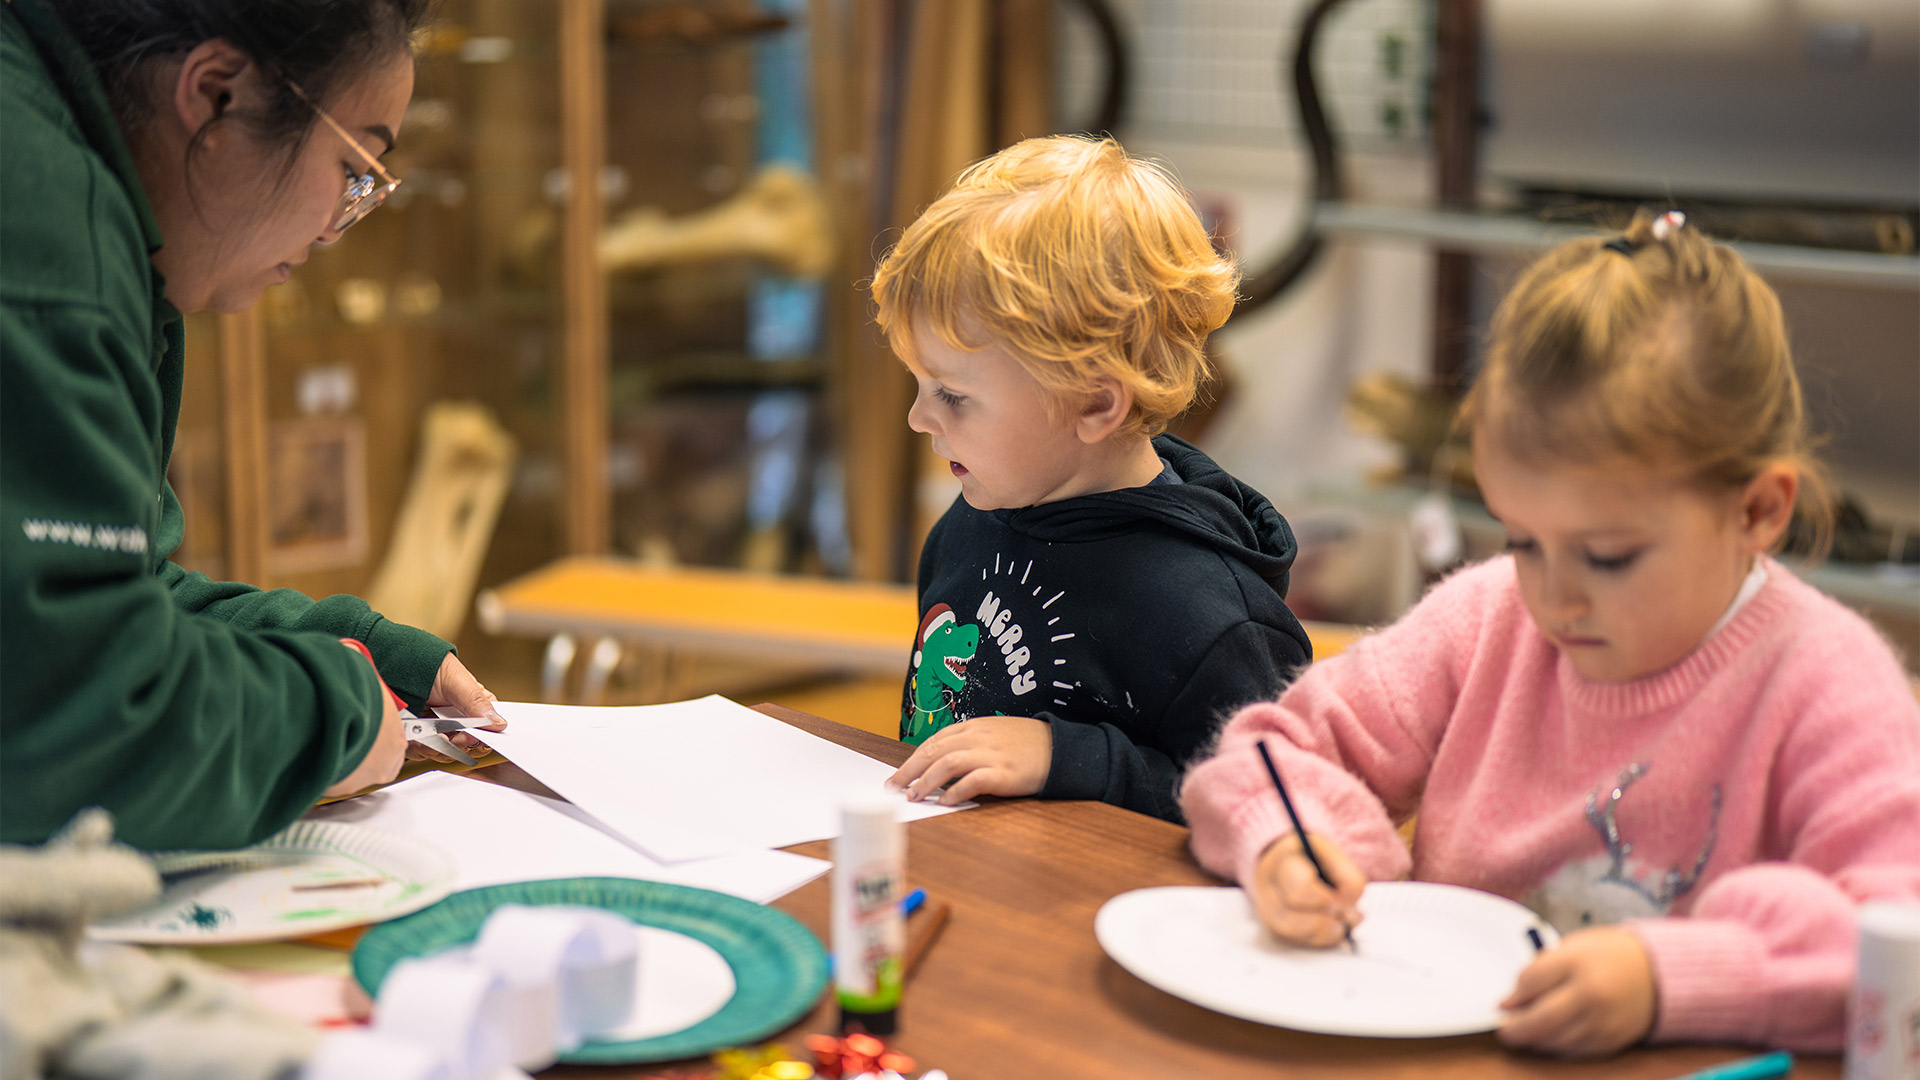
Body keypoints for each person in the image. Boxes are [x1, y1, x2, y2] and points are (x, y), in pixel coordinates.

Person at [1181, 210, 1920, 1056]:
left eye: (1608, 558)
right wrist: (1292, 843)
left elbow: (1898, 937)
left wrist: (1667, 979)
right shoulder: (1489, 614)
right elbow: (1269, 757)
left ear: (1756, 510)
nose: (1554, 598)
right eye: (1523, 540)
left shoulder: (1828, 678)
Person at [0, 0, 506, 851]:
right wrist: (332, 708)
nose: (339, 227)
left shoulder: (83, 188)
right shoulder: (54, 245)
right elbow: (74, 723)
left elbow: (91, 594)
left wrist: (362, 651)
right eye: (356, 168)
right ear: (218, 92)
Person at [870, 135, 1312, 823]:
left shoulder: (1212, 619)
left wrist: (1067, 759)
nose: (918, 418)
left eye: (952, 395)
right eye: (919, 384)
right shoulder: (967, 526)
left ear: (1096, 404)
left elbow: (1281, 811)